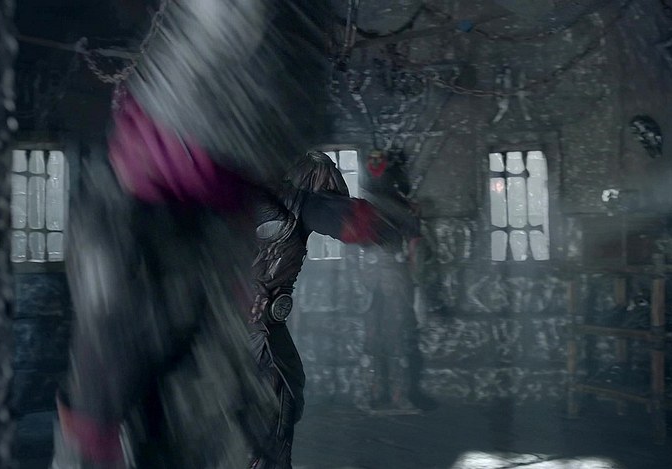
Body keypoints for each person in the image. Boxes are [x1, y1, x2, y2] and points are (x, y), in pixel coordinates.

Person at [50, 1, 335, 468]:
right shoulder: (134, 235)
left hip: (205, 156)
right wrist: (93, 422)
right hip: (187, 151)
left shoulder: (219, 202)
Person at [248, 151, 421, 469]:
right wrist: (398, 220)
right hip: (247, 333)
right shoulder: (297, 200)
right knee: (272, 409)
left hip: (234, 329)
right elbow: (363, 223)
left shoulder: (245, 193)